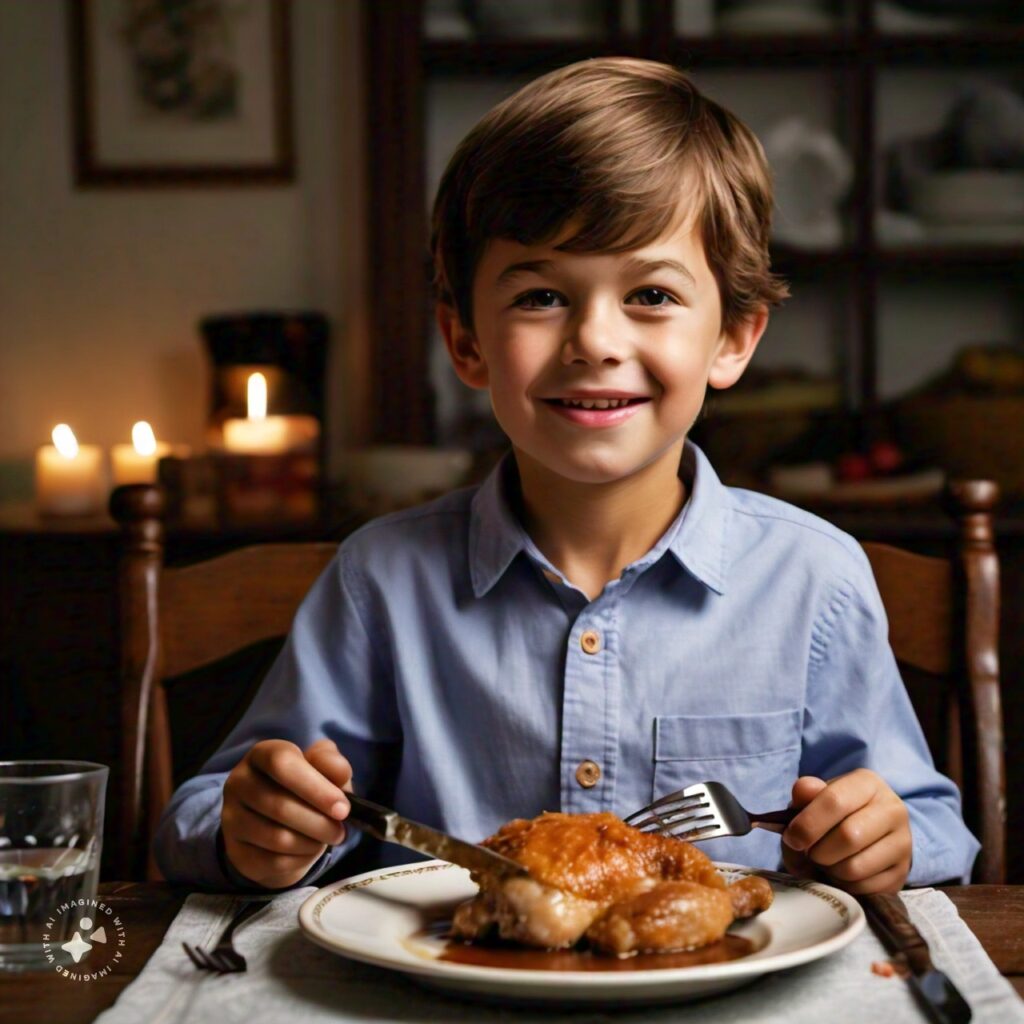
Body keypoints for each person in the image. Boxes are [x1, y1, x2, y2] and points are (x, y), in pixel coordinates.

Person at [155, 58, 978, 894]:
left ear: (732, 338)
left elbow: (933, 825)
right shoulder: (380, 580)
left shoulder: (816, 579)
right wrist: (259, 826)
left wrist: (885, 838)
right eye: (541, 296)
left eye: (651, 295)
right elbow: (204, 815)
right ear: (467, 342)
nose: (595, 341)